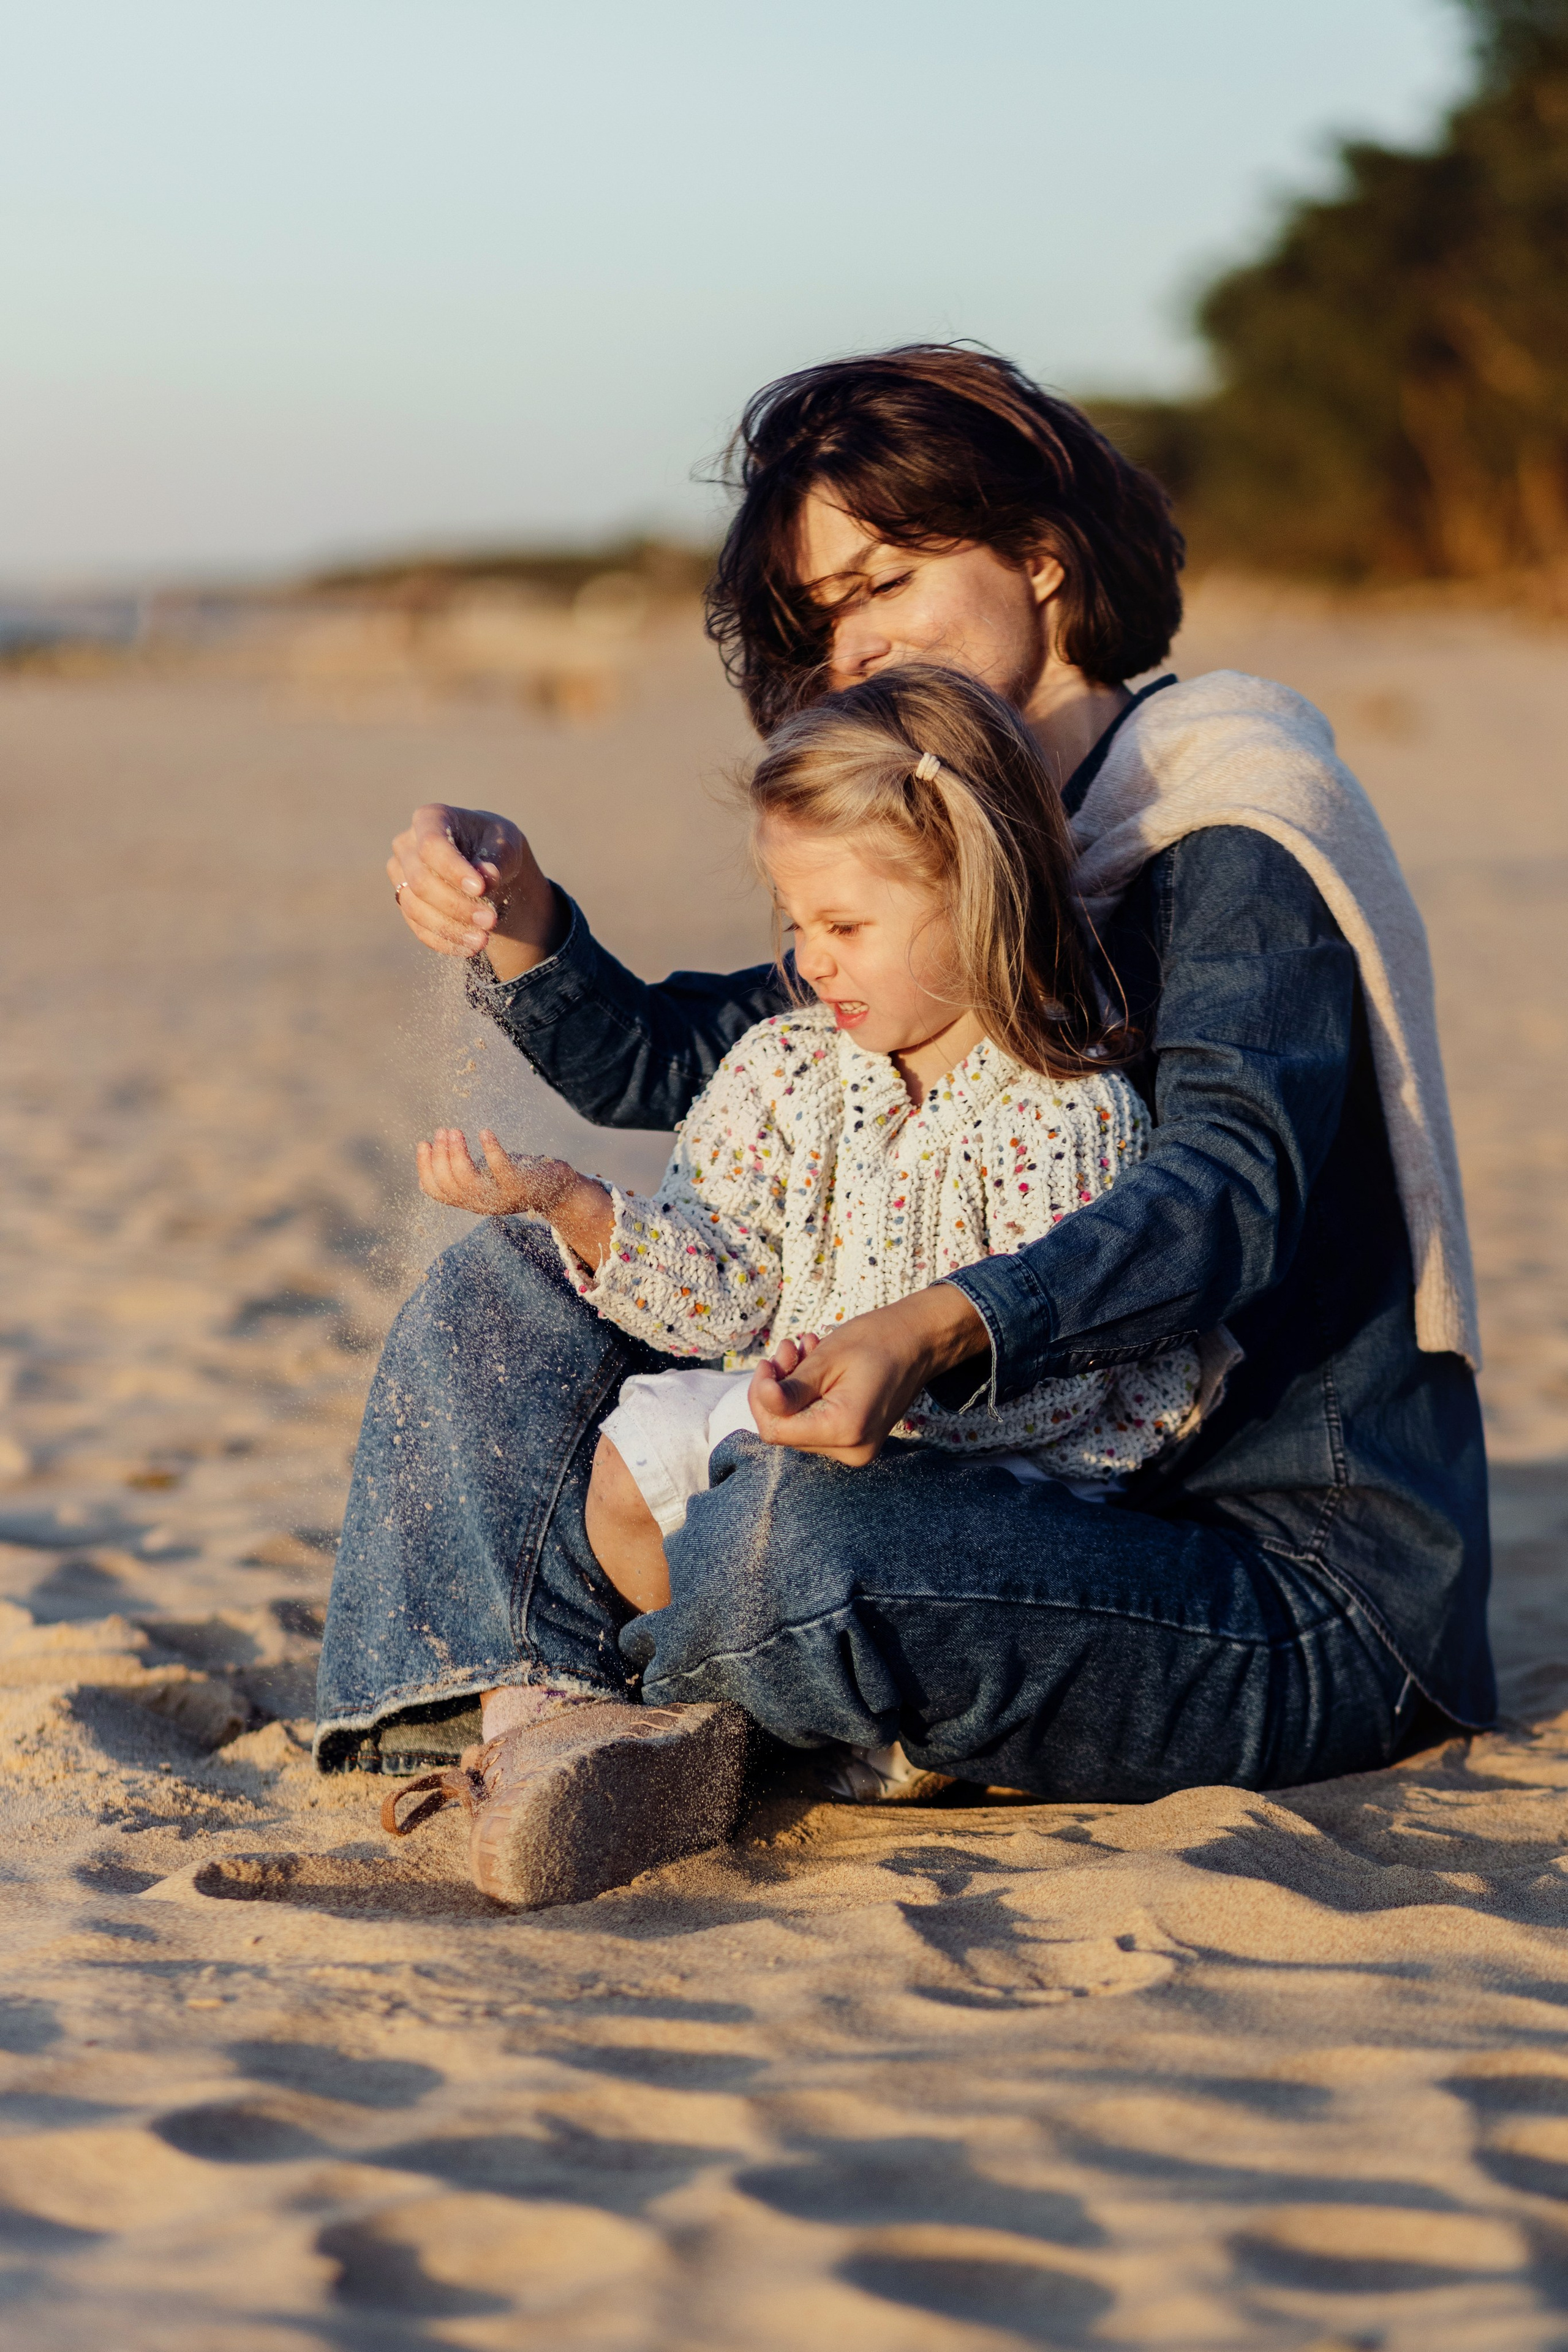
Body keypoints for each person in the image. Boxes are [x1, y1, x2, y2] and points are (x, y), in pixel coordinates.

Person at [321, 344, 1492, 1911]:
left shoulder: (1225, 830)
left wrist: (934, 1328)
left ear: (1041, 556)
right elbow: (691, 1058)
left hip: (1260, 1569)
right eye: (822, 618)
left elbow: (1228, 1189)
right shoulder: (932, 852)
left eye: (883, 583)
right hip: (988, 1497)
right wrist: (517, 918)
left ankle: (646, 1691)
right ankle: (529, 1715)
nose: (853, 644)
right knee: (510, 1281)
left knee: (794, 1538)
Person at [385, 666, 1203, 1887]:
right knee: (633, 1455)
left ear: (977, 895)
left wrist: (898, 1393)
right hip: (793, 1420)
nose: (810, 960)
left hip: (996, 1472)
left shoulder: (1065, 1108)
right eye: (795, 921)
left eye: (847, 927)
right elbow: (725, 1289)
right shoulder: (782, 1071)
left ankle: (822, 1716)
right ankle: (724, 1710)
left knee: (798, 1514)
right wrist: (573, 1203)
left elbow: (1073, 1379)